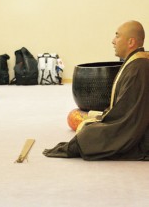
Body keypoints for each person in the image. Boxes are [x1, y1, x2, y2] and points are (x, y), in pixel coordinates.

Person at [43, 20, 149, 161]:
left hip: (140, 135)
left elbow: (128, 118)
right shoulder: (135, 63)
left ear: (131, 42)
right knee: (92, 124)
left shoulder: (138, 69)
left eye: (117, 36)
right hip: (134, 123)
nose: (113, 41)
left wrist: (102, 122)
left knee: (88, 134)